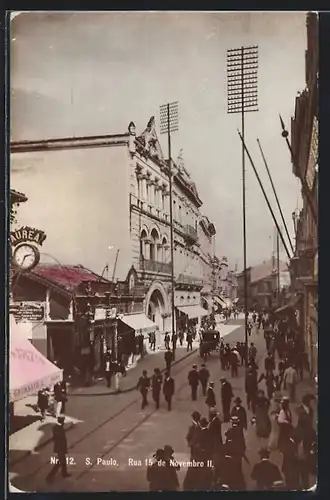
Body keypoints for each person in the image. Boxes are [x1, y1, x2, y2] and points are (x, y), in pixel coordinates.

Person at [46, 416, 71, 482]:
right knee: (59, 463)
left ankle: (64, 473)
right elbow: (59, 438)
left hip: (60, 447)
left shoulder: (57, 428)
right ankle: (50, 477)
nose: (64, 422)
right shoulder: (58, 428)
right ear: (61, 421)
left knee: (63, 462)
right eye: (63, 421)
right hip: (60, 448)